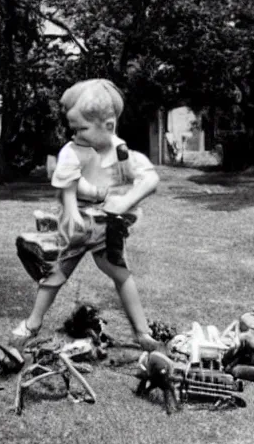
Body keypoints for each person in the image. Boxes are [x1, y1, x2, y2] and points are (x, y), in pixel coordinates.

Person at [12, 79, 161, 351]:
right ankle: (32, 323)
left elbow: (149, 179)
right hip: (78, 224)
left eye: (81, 128)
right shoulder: (72, 151)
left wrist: (126, 200)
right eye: (73, 128)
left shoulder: (121, 152)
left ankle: (142, 331)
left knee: (120, 273)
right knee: (55, 273)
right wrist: (72, 209)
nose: (75, 134)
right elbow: (68, 185)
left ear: (109, 126)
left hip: (107, 227)